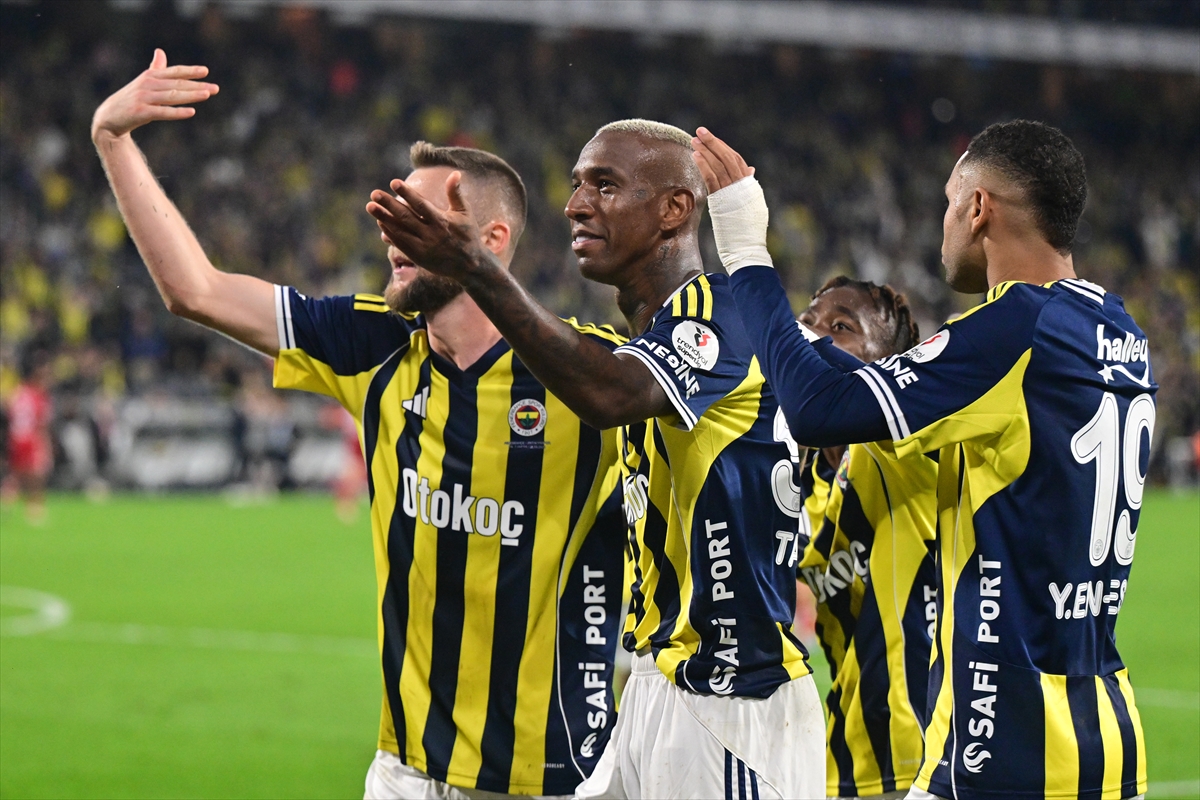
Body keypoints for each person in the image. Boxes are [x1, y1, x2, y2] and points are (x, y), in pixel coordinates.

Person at [91, 50, 628, 800]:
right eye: (389, 215)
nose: (391, 234)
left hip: (543, 775)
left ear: (492, 240)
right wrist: (112, 138)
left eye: (418, 218)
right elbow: (196, 291)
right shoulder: (372, 343)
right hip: (403, 769)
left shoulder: (592, 377)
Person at [367, 118, 824, 800]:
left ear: (674, 209)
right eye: (578, 185)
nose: (576, 205)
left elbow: (610, 394)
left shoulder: (719, 312)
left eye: (605, 186)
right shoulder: (653, 337)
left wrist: (476, 269)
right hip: (655, 685)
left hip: (731, 700)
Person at [695, 122, 1154, 800]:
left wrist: (744, 250)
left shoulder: (1015, 326)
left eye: (948, 201)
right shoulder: (1118, 330)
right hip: (1105, 741)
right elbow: (868, 380)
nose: (944, 223)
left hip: (1006, 751)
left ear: (978, 208)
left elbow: (819, 407)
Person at [793, 278, 938, 800]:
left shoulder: (905, 452)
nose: (814, 336)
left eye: (841, 327)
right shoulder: (801, 482)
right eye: (807, 323)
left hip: (930, 755)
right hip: (850, 760)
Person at [1, 351, 55, 524]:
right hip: (31, 439)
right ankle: (35, 509)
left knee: (17, 474)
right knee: (37, 474)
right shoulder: (39, 396)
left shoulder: (17, 392)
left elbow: (8, 412)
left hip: (15, 438)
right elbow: (41, 424)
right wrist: (46, 446)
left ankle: (7, 501)